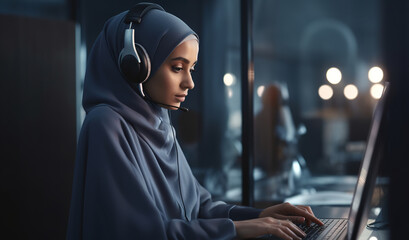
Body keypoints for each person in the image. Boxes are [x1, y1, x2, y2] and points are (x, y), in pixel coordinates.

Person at [67, 3, 322, 240]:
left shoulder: (160, 120)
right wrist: (238, 228)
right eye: (178, 67)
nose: (190, 83)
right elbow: (140, 232)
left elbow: (200, 207)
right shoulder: (106, 125)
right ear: (134, 65)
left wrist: (259, 215)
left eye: (192, 69)